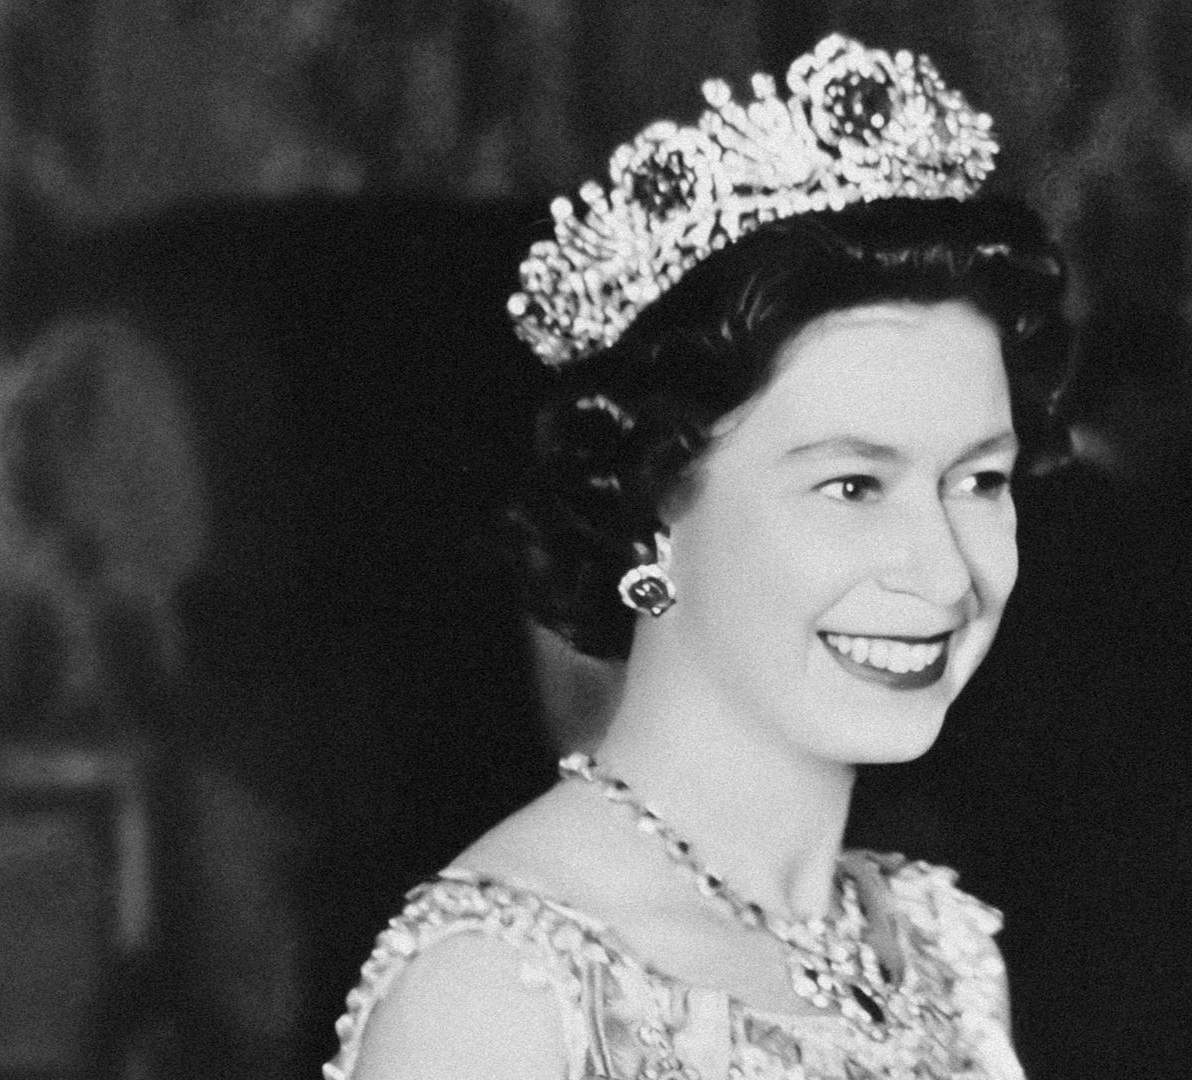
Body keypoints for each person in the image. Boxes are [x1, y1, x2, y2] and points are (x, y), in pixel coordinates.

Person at [325, 34, 1073, 1079]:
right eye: (853, 486)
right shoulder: (500, 996)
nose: (947, 574)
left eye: (979, 481)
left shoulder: (936, 945)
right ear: (649, 508)